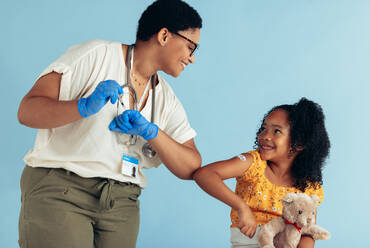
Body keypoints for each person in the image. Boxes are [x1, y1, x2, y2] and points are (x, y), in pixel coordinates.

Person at [17, 0, 202, 247]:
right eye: (191, 47)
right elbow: (27, 110)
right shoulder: (96, 56)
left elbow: (191, 165)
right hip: (63, 190)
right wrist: (82, 107)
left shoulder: (166, 98)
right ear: (164, 35)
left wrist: (152, 132)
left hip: (122, 204)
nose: (191, 59)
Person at [193, 98, 330, 248]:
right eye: (263, 128)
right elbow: (204, 174)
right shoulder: (252, 163)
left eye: (276, 131)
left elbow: (307, 232)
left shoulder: (308, 187)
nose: (265, 136)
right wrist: (241, 207)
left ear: (299, 143)